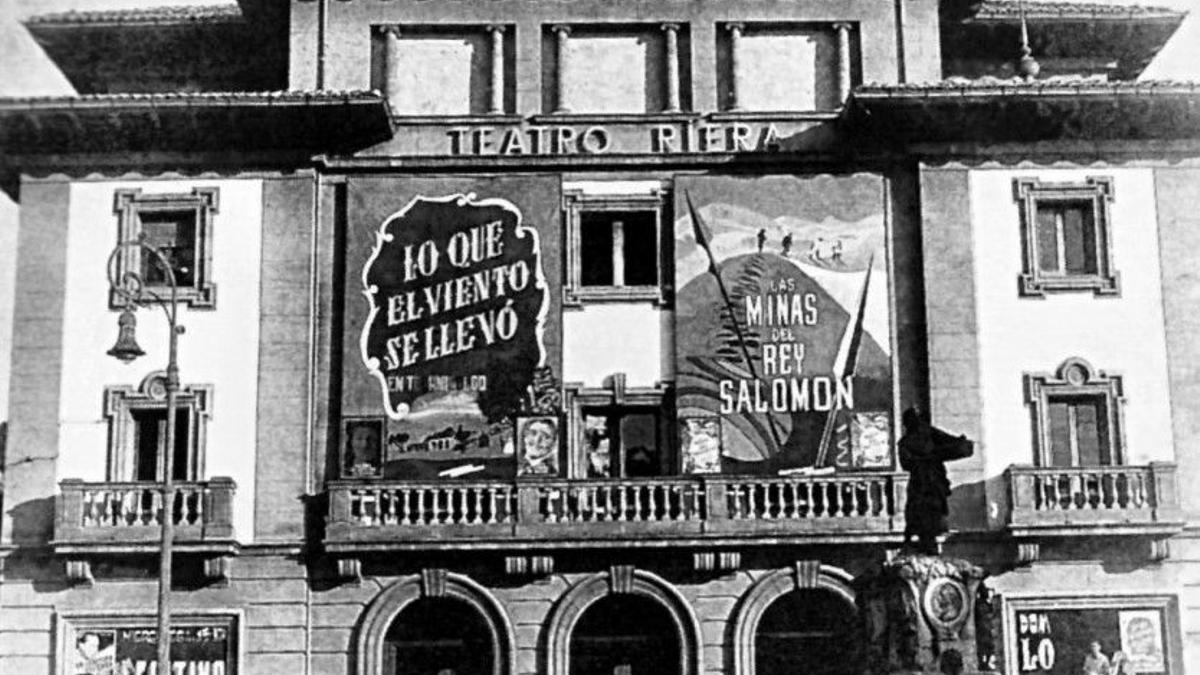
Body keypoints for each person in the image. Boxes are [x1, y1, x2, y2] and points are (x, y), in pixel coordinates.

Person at [898, 407, 973, 554]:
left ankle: (924, 541)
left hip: (929, 483)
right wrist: (934, 455)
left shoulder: (921, 436)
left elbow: (954, 443)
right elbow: (907, 462)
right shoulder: (913, 439)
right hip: (925, 483)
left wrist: (958, 443)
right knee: (922, 514)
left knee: (925, 514)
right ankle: (922, 542)